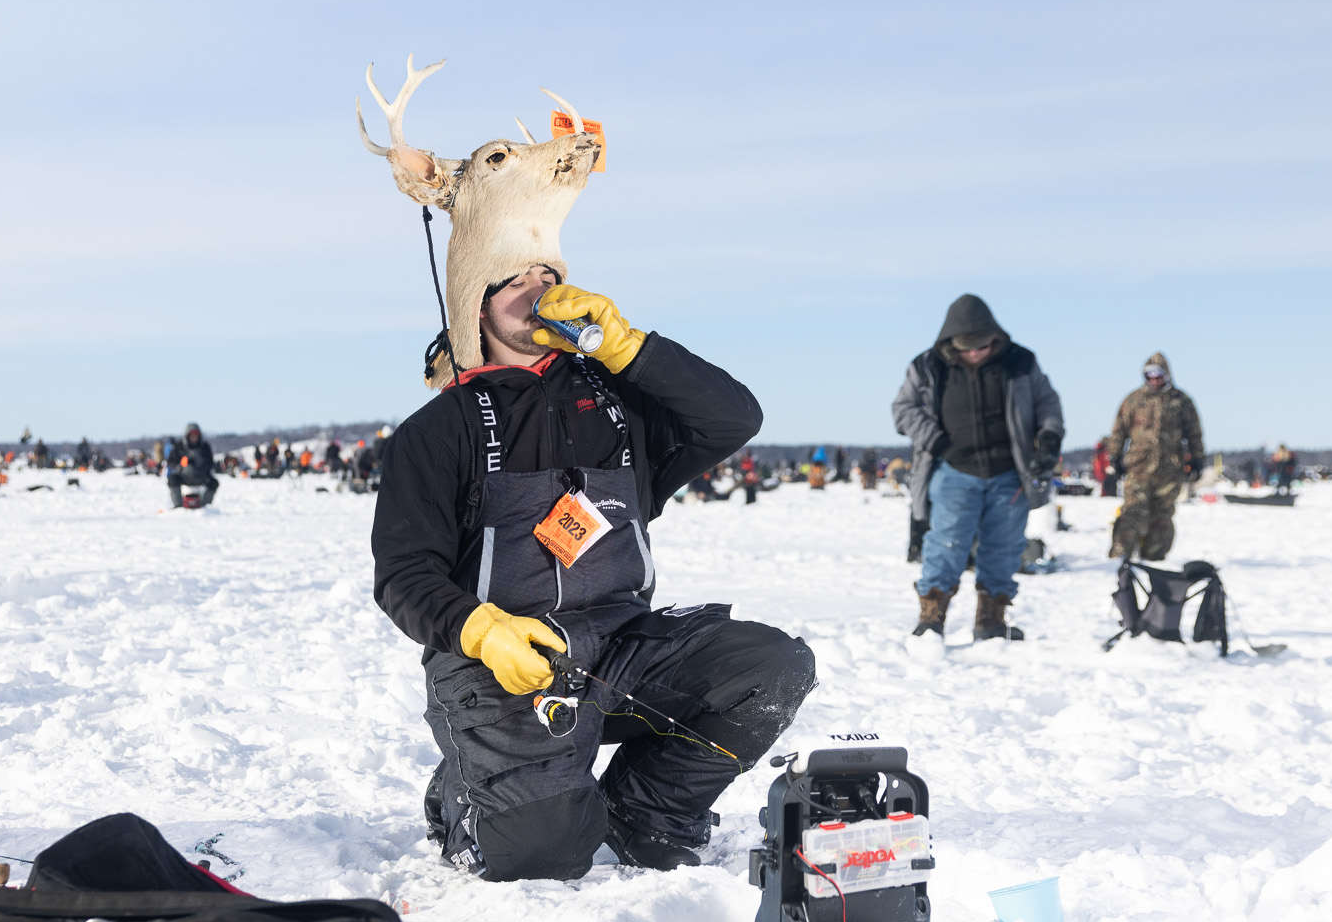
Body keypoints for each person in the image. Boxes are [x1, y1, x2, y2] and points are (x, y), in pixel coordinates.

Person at [373, 266, 815, 881]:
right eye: (512, 282)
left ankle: (645, 814)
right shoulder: (438, 431)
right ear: (476, 308)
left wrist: (632, 350)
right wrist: (483, 631)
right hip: (502, 665)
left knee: (770, 668)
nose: (536, 289)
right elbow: (403, 576)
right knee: (545, 855)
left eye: (547, 274)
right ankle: (463, 795)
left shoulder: (619, 404)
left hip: (620, 650)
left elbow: (732, 419)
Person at [891, 294, 1063, 644]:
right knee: (946, 543)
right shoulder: (927, 365)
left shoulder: (1020, 361)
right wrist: (935, 439)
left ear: (994, 337)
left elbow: (1048, 402)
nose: (974, 353)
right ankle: (931, 621)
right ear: (951, 342)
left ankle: (991, 622)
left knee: (1004, 547)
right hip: (953, 470)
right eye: (966, 348)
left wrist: (1048, 438)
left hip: (1009, 474)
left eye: (981, 346)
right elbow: (903, 408)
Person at [1106, 353, 1204, 561]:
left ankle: (1154, 558)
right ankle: (1120, 556)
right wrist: (1114, 455)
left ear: (1167, 375)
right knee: (1132, 511)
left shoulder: (1181, 401)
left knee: (1162, 516)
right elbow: (1118, 431)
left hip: (1170, 469)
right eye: (1149, 374)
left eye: (1158, 374)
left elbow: (1194, 433)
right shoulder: (1134, 400)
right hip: (1139, 467)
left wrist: (1197, 458)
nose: (1154, 379)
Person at [168, 422, 218, 508]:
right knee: (172, 479)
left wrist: (205, 468)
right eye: (192, 435)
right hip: (184, 476)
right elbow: (171, 461)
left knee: (214, 483)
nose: (194, 437)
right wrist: (180, 464)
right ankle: (178, 506)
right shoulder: (180, 446)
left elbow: (211, 462)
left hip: (201, 476)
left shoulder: (205, 447)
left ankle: (204, 506)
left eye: (196, 435)